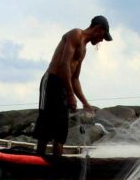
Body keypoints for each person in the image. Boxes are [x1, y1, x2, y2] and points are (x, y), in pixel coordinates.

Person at [34, 15, 112, 157]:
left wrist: (85, 103)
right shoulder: (76, 34)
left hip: (65, 85)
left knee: (61, 129)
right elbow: (64, 64)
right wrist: (70, 95)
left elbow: (75, 78)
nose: (102, 40)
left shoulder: (84, 50)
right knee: (45, 124)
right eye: (103, 36)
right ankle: (38, 160)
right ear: (98, 29)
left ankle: (56, 164)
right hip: (51, 81)